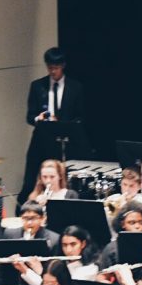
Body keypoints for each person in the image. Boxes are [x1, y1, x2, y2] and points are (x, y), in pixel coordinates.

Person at [21, 47, 86, 204]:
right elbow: (29, 117)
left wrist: (62, 124)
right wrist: (39, 119)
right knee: (31, 177)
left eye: (55, 68)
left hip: (65, 140)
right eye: (49, 67)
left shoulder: (75, 87)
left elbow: (80, 117)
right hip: (41, 139)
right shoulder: (37, 86)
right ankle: (28, 206)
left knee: (62, 175)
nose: (52, 71)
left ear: (62, 65)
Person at [95, 200, 142, 270]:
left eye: (141, 222)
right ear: (123, 224)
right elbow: (101, 276)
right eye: (132, 223)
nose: (137, 226)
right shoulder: (112, 248)